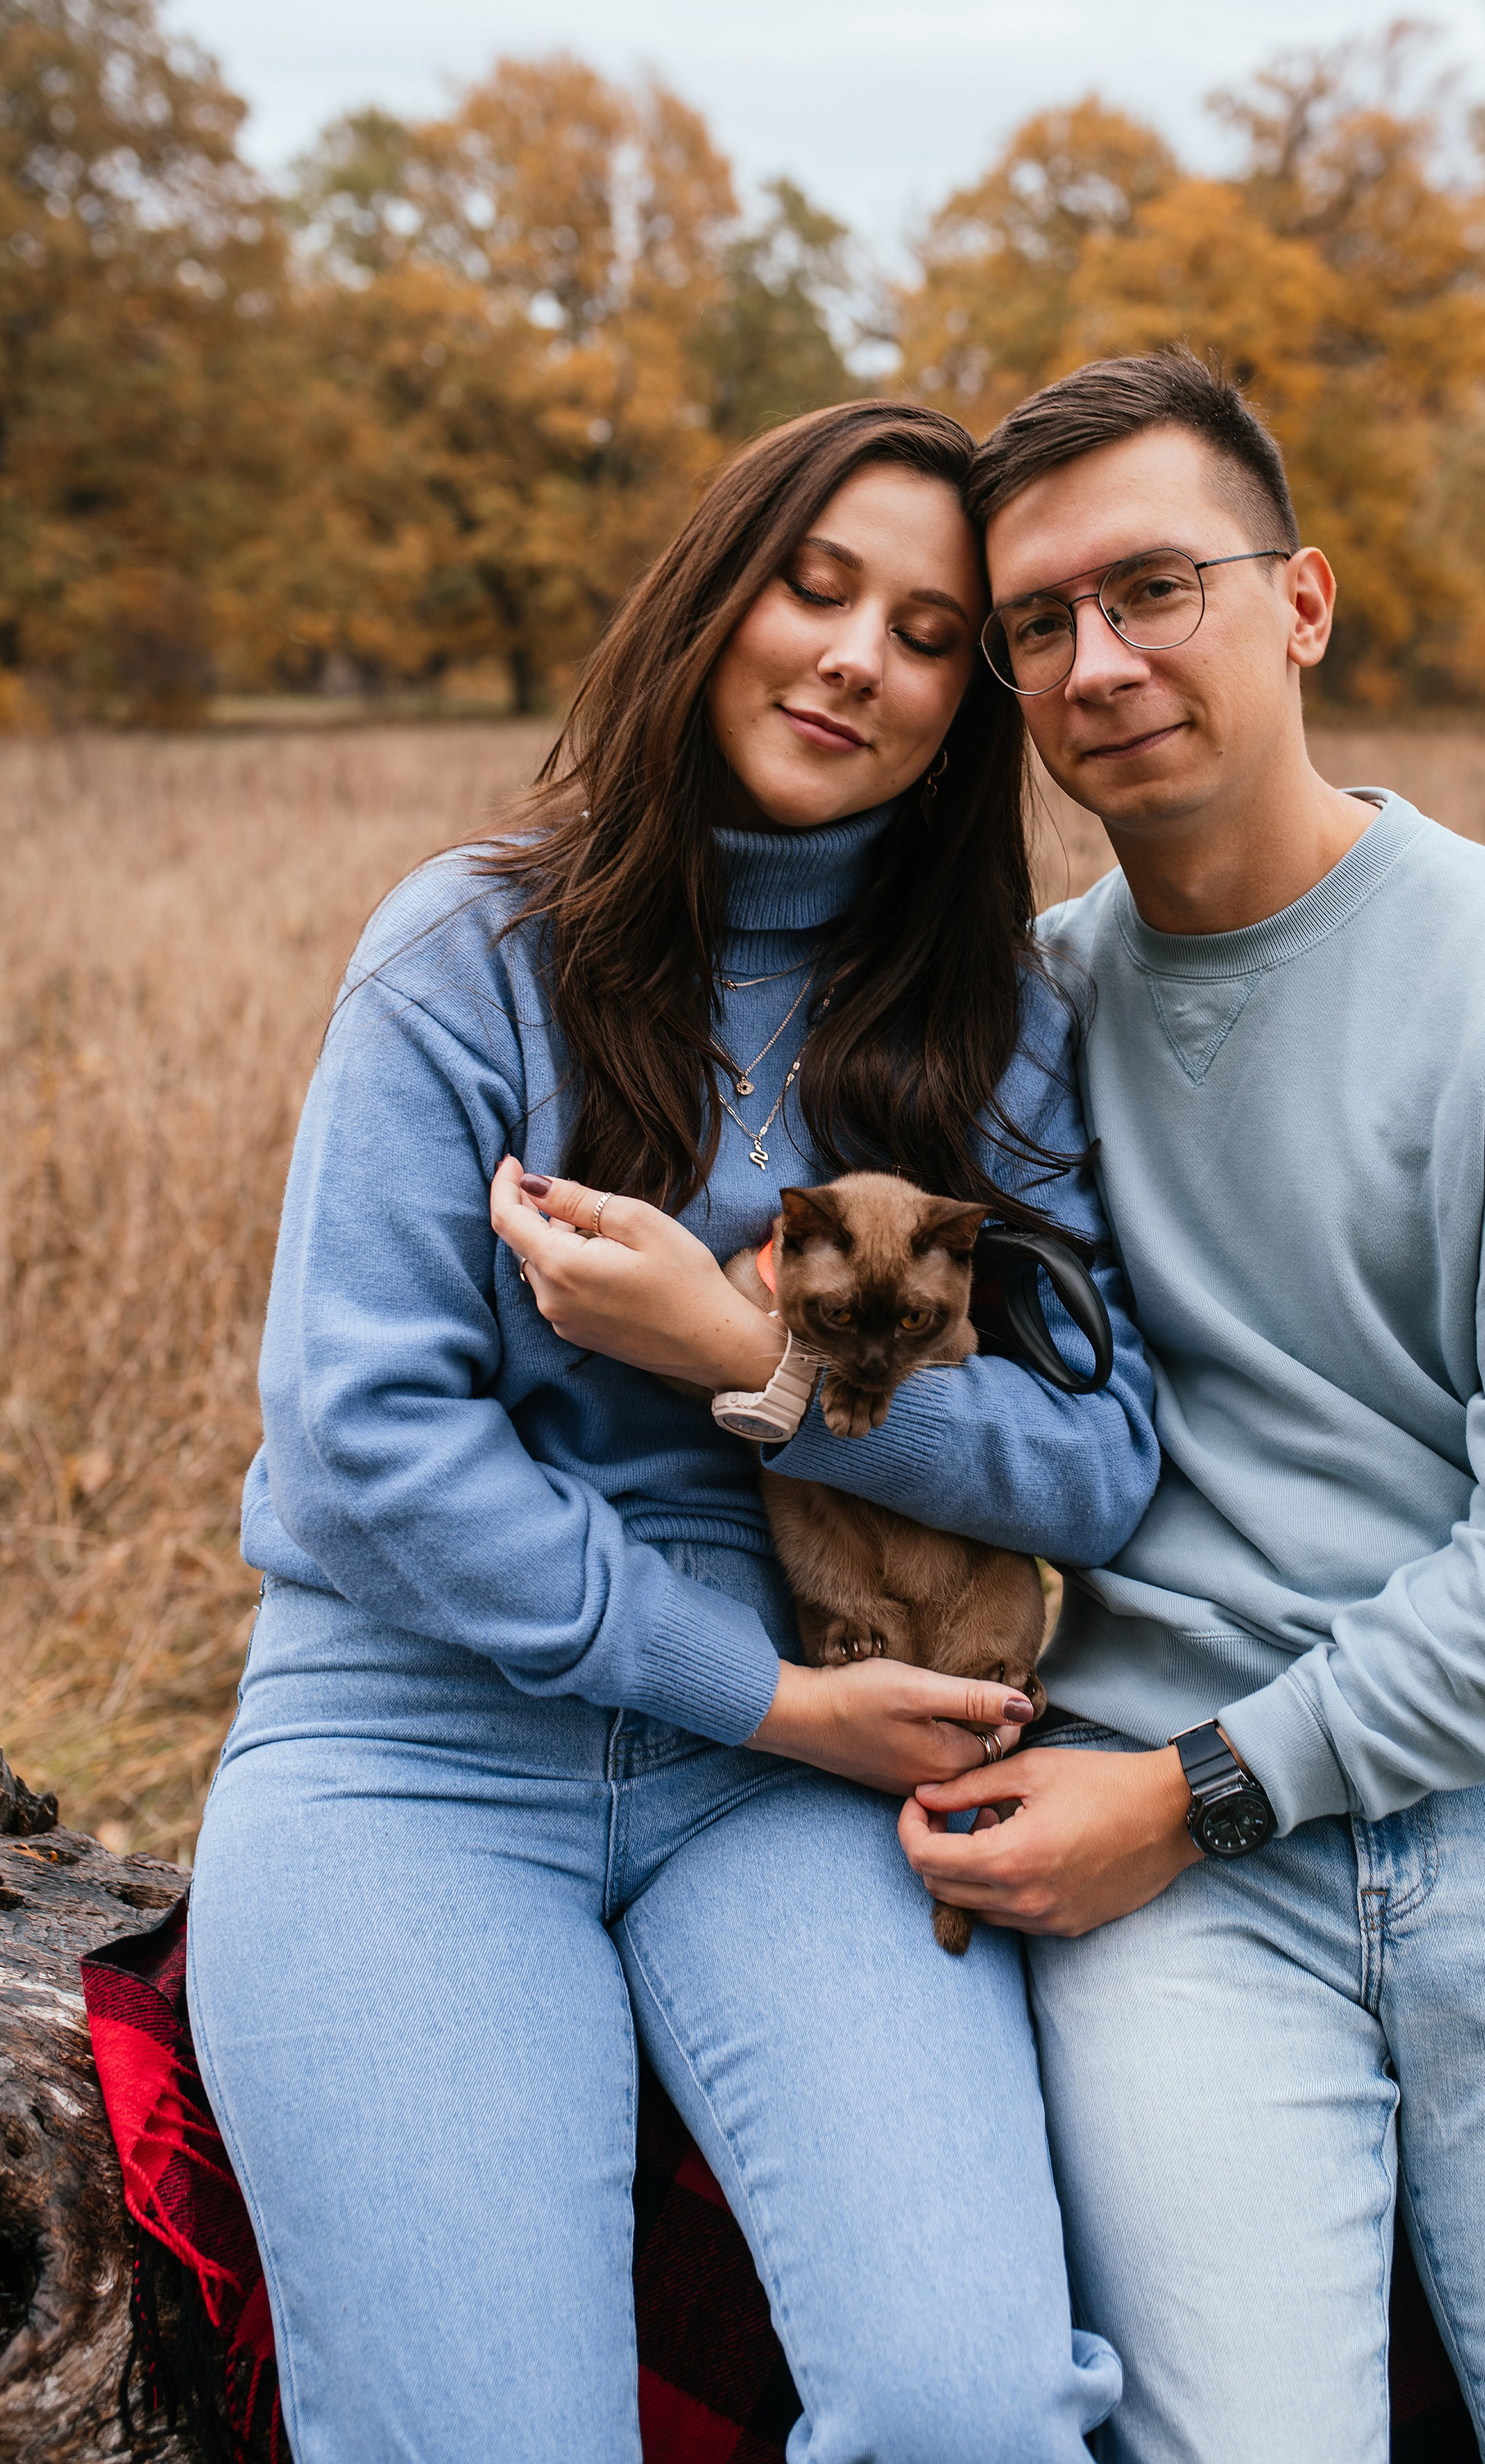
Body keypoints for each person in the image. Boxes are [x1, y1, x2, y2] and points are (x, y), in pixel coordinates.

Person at [188, 400, 1157, 2464]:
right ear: (714, 598)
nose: (852, 660)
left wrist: (748, 1360)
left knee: (971, 2411)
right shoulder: (471, 953)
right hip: (413, 1755)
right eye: (813, 591)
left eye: (922, 631)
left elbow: (1100, 1462)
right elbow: (369, 1446)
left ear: (963, 708)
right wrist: (773, 1702)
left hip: (792, 1791)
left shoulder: (990, 1023)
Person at [901, 349, 1485, 2463]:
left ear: (1300, 602)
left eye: (1154, 589)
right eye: (1039, 626)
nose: (1098, 662)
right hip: (1167, 1879)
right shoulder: (1019, 1024)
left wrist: (1201, 1785)